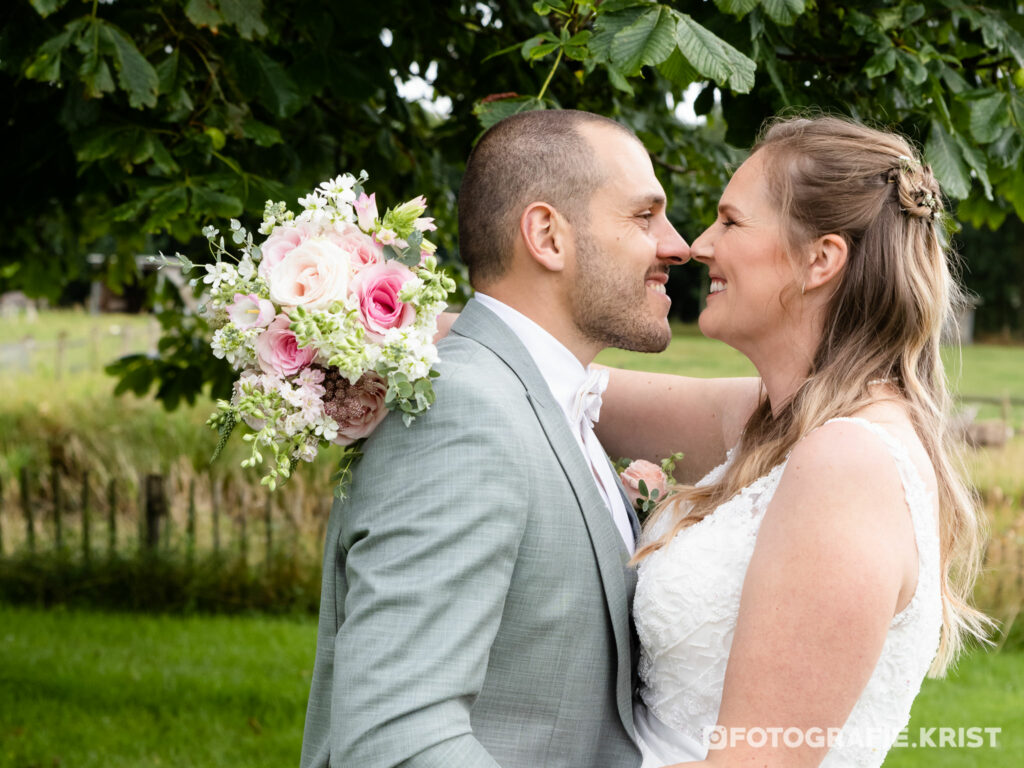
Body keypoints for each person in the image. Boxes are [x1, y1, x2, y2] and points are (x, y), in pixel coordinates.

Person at [300, 109, 693, 767]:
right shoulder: (464, 416)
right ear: (547, 235)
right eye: (644, 217)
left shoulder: (541, 400)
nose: (677, 244)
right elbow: (396, 742)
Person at [595, 115, 991, 767]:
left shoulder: (848, 463)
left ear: (821, 259)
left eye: (730, 221)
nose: (698, 245)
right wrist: (384, 315)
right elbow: (570, 384)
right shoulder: (776, 420)